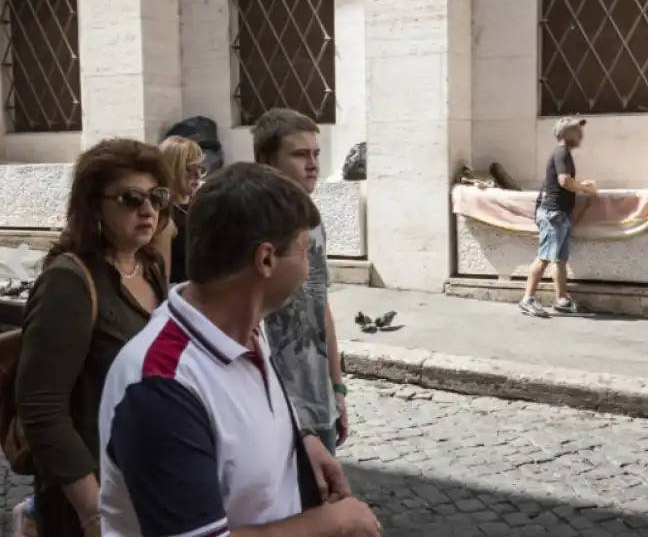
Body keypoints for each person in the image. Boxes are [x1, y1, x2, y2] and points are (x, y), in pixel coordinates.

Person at [97, 162, 381, 537]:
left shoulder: (245, 328)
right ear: (265, 259)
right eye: (304, 252)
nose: (308, 270)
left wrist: (301, 443)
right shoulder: (160, 386)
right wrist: (334, 522)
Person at [15, 138, 171, 537]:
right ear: (93, 206)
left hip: (149, 481)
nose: (149, 210)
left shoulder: (149, 266)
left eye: (156, 196)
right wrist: (93, 511)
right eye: (132, 199)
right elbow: (41, 408)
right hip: (91, 498)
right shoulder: (68, 282)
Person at [252, 108, 347, 455]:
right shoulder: (252, 224)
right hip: (273, 404)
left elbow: (320, 303)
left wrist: (337, 387)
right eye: (300, 154)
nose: (313, 165)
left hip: (317, 398)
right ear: (267, 159)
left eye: (316, 154)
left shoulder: (312, 219)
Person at [519, 117, 597, 318]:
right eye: (575, 131)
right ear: (563, 134)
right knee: (544, 258)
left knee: (560, 260)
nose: (580, 135)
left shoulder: (564, 154)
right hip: (554, 214)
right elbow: (564, 181)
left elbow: (565, 180)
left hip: (559, 214)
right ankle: (527, 299)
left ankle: (562, 300)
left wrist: (580, 185)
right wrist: (584, 188)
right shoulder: (561, 153)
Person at [151, 135, 205, 284]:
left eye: (199, 168)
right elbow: (163, 280)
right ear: (172, 170)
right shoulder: (163, 215)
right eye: (189, 169)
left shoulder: (199, 204)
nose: (197, 175)